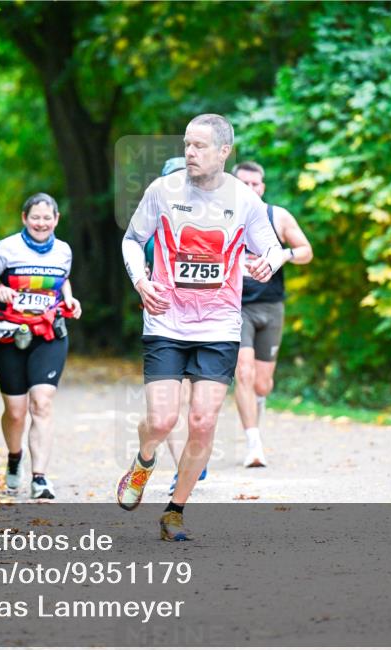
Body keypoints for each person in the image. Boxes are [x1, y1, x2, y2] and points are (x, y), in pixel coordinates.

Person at [117, 114, 285, 541]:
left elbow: (272, 247)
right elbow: (133, 240)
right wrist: (141, 280)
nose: (189, 153)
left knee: (203, 421)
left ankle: (175, 511)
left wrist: (270, 260)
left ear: (224, 152)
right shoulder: (163, 191)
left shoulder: (244, 200)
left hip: (219, 325)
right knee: (161, 420)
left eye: (200, 146)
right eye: (187, 144)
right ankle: (145, 457)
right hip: (166, 319)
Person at [0, 193, 82, 500]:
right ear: (24, 218)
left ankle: (40, 478)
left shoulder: (63, 250)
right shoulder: (7, 248)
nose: (41, 223)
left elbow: (63, 280)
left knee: (42, 404)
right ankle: (14, 457)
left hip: (48, 334)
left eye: (47, 218)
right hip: (9, 336)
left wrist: (70, 299)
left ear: (56, 220)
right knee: (16, 412)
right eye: (35, 217)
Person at [232, 161, 313, 467]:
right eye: (244, 184)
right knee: (243, 372)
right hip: (236, 307)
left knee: (263, 383)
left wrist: (283, 254)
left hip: (270, 305)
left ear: (262, 187)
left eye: (256, 184)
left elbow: (306, 250)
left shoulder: (277, 217)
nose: (251, 189)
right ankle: (253, 443)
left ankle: (256, 409)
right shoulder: (224, 219)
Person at [145, 157, 207, 496]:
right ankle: (181, 468)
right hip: (167, 322)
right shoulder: (152, 226)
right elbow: (137, 263)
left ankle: (197, 445)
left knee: (200, 404)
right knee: (170, 409)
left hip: (207, 323)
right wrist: (144, 286)